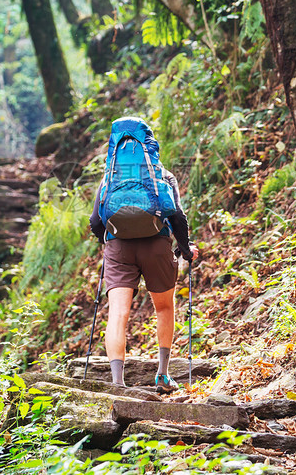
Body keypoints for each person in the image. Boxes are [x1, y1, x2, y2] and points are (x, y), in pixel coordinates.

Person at [89, 118, 198, 394]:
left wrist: (111, 241)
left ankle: (117, 384)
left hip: (118, 248)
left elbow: (95, 222)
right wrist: (186, 249)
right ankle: (162, 375)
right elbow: (177, 217)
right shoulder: (162, 175)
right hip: (156, 245)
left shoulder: (109, 178)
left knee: (118, 314)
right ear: (149, 143)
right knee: (164, 307)